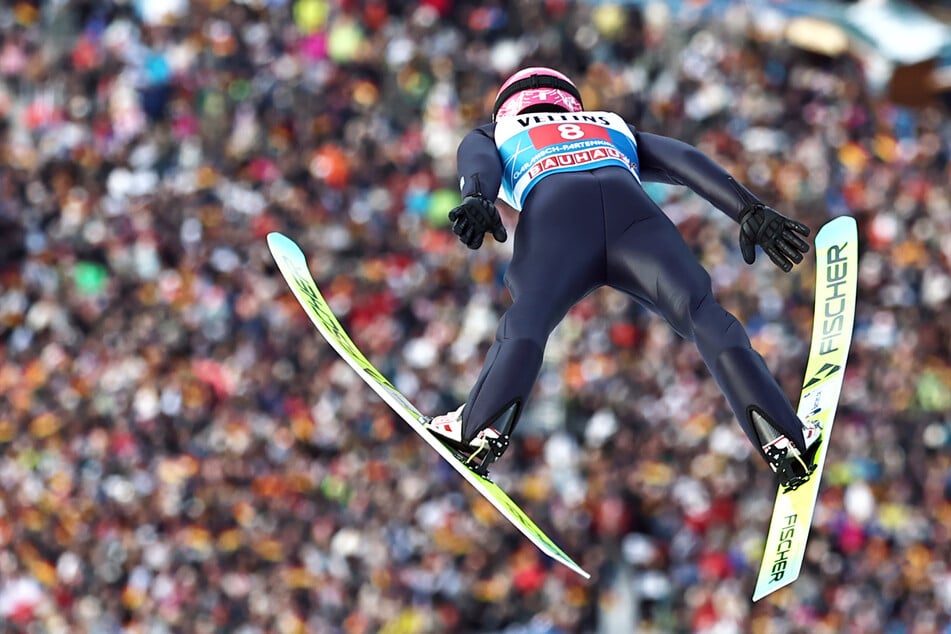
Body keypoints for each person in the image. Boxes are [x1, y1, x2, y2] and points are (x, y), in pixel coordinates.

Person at [423, 67, 819, 490]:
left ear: (506, 106)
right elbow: (685, 160)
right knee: (704, 316)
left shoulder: (495, 131)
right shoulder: (610, 122)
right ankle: (783, 435)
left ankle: (480, 427)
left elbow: (478, 161)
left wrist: (477, 197)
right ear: (572, 101)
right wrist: (748, 209)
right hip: (636, 221)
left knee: (530, 320)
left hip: (559, 218)